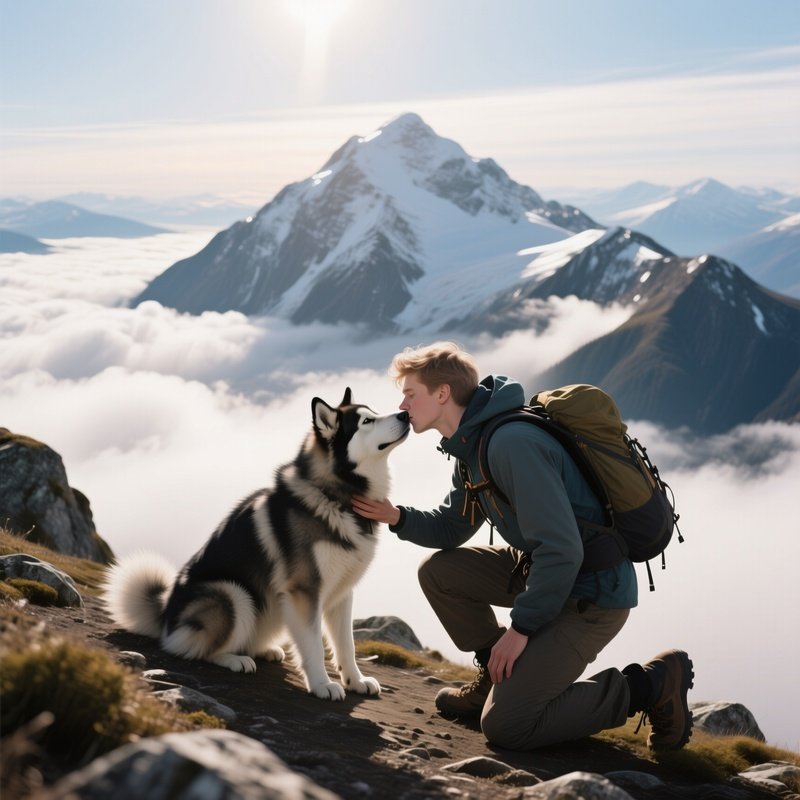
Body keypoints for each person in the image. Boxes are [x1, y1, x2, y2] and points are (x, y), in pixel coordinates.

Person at [352, 341, 693, 751]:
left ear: (442, 393)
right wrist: (396, 517)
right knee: (439, 574)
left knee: (507, 726)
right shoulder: (471, 446)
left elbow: (562, 550)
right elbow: (452, 528)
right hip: (546, 574)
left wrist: (520, 629)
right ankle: (493, 675)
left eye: (410, 393)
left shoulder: (510, 444)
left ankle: (650, 685)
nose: (402, 405)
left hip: (591, 594)